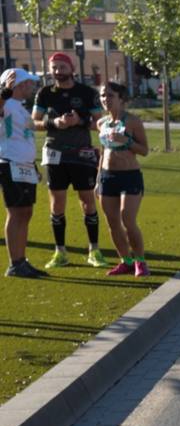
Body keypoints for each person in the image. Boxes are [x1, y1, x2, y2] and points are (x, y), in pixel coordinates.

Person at [34, 52, 109, 269]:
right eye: (54, 68)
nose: (58, 72)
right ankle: (60, 252)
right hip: (54, 153)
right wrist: (55, 122)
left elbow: (100, 123)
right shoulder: (45, 93)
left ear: (72, 68)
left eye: (62, 67)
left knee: (87, 201)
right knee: (57, 204)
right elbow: (33, 123)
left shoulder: (86, 93)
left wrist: (80, 120)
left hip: (82, 153)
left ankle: (94, 250)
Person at [94, 82, 151, 277]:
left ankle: (140, 261)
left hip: (130, 175)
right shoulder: (101, 123)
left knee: (128, 218)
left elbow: (144, 150)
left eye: (110, 95)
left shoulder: (133, 121)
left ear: (121, 99)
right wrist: (98, 178)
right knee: (112, 222)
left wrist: (125, 141)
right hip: (108, 177)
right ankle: (125, 261)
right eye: (102, 95)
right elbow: (102, 152)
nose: (105, 99)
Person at [1, 67, 44, 278]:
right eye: (28, 83)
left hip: (24, 165)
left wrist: (32, 165)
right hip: (10, 164)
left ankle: (21, 259)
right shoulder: (7, 104)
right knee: (16, 212)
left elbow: (24, 136)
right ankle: (14, 263)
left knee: (26, 212)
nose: (32, 86)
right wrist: (4, 91)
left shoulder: (20, 106)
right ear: (17, 85)